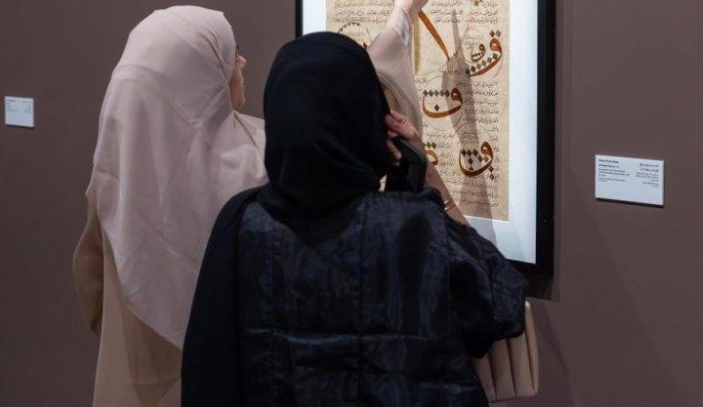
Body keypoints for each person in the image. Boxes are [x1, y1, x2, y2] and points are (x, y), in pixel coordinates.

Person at [73, 0, 431, 406]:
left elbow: (92, 293)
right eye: (228, 54)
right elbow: (353, 90)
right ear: (198, 74)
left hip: (132, 384)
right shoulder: (259, 166)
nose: (241, 62)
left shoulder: (113, 173)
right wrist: (402, 13)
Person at [181, 31, 528, 406]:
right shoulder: (415, 227)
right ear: (368, 117)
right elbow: (499, 304)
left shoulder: (242, 225)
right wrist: (428, 177)